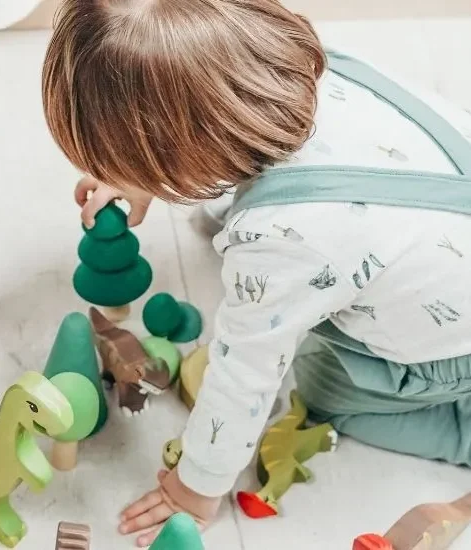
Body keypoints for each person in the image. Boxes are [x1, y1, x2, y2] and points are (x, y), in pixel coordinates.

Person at [42, 0, 471, 546]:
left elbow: (244, 374)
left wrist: (196, 487)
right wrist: (146, 169)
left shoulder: (280, 241)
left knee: (321, 390)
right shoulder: (320, 67)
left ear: (176, 154)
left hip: (452, 350)